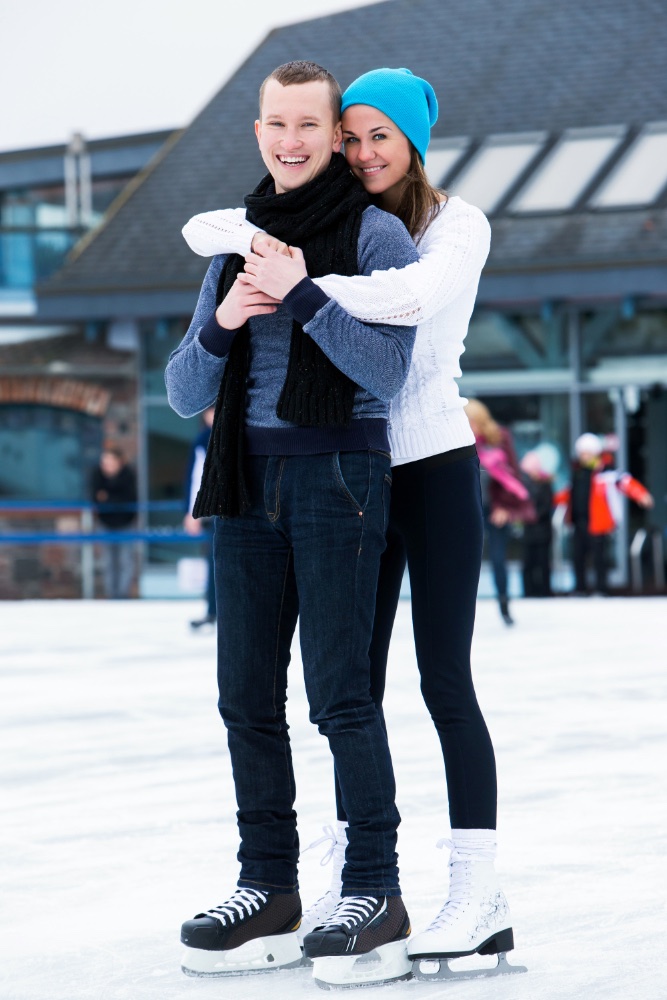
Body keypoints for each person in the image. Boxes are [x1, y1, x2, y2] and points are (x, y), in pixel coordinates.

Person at [185, 67, 526, 981]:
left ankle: (474, 887)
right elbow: (194, 360)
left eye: (382, 136)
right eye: (354, 136)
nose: (363, 151)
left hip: (422, 461)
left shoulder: (445, 227)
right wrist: (245, 269)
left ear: (414, 142)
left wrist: (298, 281)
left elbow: (406, 309)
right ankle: (343, 877)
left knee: (443, 679)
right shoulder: (314, 224)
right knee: (350, 685)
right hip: (348, 468)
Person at [165, 61, 419, 989]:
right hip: (245, 485)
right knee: (244, 698)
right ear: (260, 130)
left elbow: (387, 374)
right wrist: (229, 314)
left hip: (337, 477)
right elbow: (186, 390)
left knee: (341, 698)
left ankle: (372, 890)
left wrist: (307, 292)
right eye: (277, 123)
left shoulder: (376, 233)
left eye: (309, 124)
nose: (292, 139)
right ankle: (268, 886)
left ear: (333, 134)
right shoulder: (233, 240)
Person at [465, 399, 535, 626]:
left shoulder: (499, 438)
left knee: (497, 559)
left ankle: (504, 607)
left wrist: (505, 506)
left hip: (495, 509)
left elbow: (512, 476)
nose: (468, 426)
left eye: (471, 421)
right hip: (468, 508)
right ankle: (461, 612)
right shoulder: (460, 442)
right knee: (463, 560)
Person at [556, 432, 654, 595]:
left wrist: (641, 494)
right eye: (581, 453)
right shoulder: (577, 472)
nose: (583, 456)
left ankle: (601, 588)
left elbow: (626, 482)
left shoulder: (607, 472)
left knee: (599, 557)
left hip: (598, 521)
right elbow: (567, 493)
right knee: (578, 556)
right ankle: (580, 588)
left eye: (586, 453)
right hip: (578, 520)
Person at [182, 406, 216, 629]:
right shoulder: (204, 438)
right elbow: (197, 475)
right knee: (215, 561)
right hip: (216, 512)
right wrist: (193, 511)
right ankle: (213, 610)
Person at [90, 446, 137, 599]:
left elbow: (128, 498)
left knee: (125, 560)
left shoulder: (128, 475)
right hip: (106, 523)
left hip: (125, 523)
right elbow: (94, 497)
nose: (106, 465)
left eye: (109, 461)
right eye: (104, 462)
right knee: (108, 562)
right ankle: (112, 595)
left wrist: (107, 497)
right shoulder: (97, 475)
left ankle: (123, 595)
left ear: (119, 462)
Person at [520, 449, 555, 597]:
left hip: (542, 530)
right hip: (529, 530)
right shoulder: (523, 485)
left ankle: (544, 591)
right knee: (529, 563)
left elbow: (547, 506)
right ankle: (529, 592)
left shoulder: (545, 484)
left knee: (543, 563)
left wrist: (532, 515)